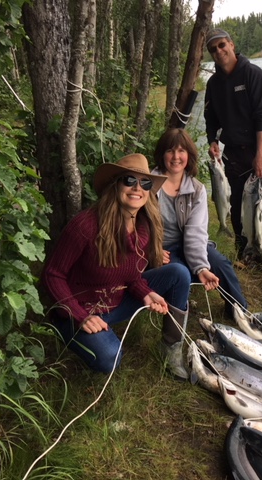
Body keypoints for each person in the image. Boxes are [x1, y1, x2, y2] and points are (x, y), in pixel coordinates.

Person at [42, 154, 192, 378]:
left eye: (145, 183)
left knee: (179, 273)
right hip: (78, 311)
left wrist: (145, 292)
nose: (137, 188)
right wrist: (80, 315)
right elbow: (52, 275)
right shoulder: (86, 225)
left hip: (116, 302)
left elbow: (130, 276)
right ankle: (74, 334)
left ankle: (171, 348)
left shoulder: (144, 227)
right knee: (111, 358)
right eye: (129, 180)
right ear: (115, 185)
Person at [152, 128, 248, 318]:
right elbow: (134, 223)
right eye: (170, 151)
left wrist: (201, 267)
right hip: (161, 248)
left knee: (221, 264)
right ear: (162, 154)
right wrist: (149, 248)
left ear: (189, 155)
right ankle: (175, 326)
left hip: (190, 243)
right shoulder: (148, 183)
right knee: (180, 273)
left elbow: (195, 233)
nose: (176, 157)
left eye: (181, 151)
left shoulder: (197, 189)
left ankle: (240, 313)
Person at [203, 28, 262, 261]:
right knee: (237, 204)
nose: (219, 51)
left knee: (261, 204)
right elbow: (211, 119)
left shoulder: (253, 74)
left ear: (232, 45)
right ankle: (244, 254)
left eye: (222, 45)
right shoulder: (213, 84)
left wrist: (260, 155)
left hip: (260, 146)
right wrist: (213, 141)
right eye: (213, 49)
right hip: (233, 152)